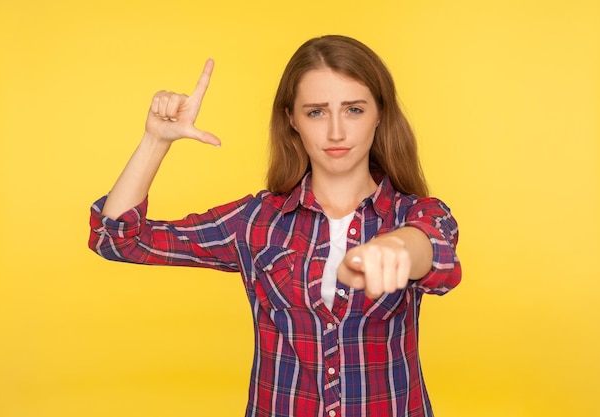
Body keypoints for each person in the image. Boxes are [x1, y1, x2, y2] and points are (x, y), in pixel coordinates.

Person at [89, 35, 461, 417]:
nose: (336, 132)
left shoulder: (416, 214)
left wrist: (399, 248)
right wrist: (155, 141)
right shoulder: (257, 221)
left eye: (353, 109)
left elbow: (435, 253)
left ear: (380, 113)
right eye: (316, 112)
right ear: (292, 119)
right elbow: (117, 240)